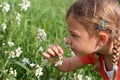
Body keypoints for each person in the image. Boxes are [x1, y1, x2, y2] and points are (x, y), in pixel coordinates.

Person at [42, 0, 120, 80]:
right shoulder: (96, 53)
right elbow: (68, 65)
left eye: (74, 35)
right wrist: (56, 59)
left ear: (101, 39)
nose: (68, 40)